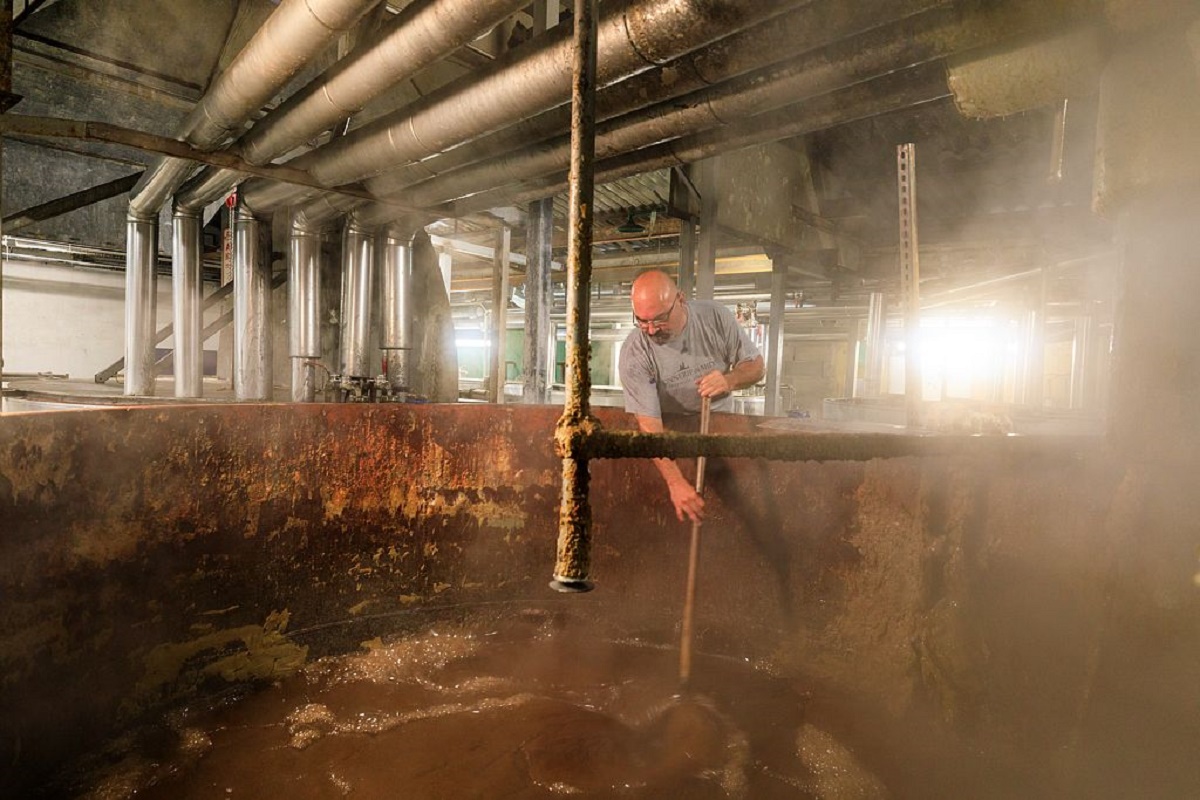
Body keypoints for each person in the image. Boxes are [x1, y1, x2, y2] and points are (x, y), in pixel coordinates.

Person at [619, 269, 765, 523]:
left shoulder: (715, 318)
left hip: (722, 428)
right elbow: (650, 424)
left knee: (735, 513)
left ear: (681, 300)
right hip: (670, 438)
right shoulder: (635, 352)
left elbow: (756, 367)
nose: (651, 330)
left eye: (659, 319)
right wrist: (675, 482)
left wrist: (729, 380)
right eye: (642, 321)